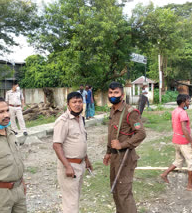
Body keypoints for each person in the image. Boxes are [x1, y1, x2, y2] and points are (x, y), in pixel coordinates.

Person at [103, 82, 146, 213]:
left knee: (124, 193)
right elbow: (112, 134)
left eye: (116, 93)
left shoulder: (130, 112)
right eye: (110, 93)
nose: (113, 95)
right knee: (116, 190)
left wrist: (122, 145)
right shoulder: (113, 110)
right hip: (115, 157)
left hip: (126, 158)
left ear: (122, 95)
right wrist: (108, 152)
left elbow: (141, 133)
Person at [0, 97, 27, 212]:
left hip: (19, 190)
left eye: (7, 110)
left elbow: (15, 161)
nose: (7, 115)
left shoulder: (10, 133)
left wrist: (22, 182)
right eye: (1, 112)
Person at [53, 92, 93, 213]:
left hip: (80, 165)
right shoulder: (63, 121)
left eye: (80, 102)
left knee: (74, 199)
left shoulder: (80, 118)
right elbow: (56, 145)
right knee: (70, 202)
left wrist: (86, 160)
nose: (77, 105)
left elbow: (80, 141)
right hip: (69, 166)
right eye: (74, 102)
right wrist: (67, 166)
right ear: (68, 105)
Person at [160, 94, 192, 191]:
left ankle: (164, 174)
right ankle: (190, 186)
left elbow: (175, 126)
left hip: (176, 140)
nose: (189, 103)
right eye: (188, 101)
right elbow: (184, 129)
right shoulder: (182, 113)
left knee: (179, 160)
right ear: (183, 102)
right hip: (183, 142)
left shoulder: (175, 111)